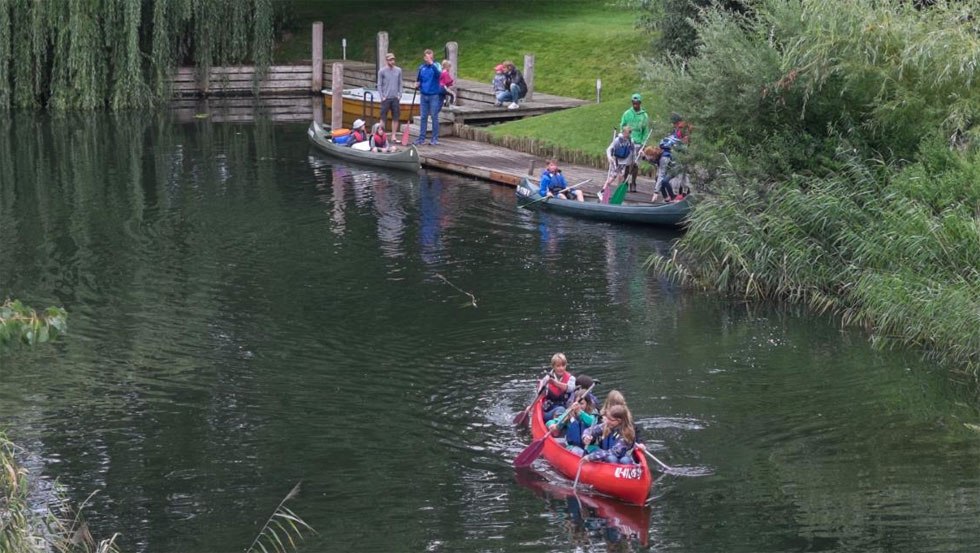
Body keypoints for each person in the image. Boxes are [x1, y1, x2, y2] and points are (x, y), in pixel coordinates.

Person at [547, 388, 598, 456]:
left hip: (590, 447)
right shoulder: (569, 413)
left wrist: (580, 412)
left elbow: (592, 422)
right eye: (577, 404)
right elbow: (554, 421)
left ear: (587, 404)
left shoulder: (593, 414)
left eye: (581, 404)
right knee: (579, 452)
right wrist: (552, 425)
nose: (578, 406)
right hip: (573, 447)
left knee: (599, 453)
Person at [620, 93, 650, 192]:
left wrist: (643, 143)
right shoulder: (627, 113)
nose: (635, 105)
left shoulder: (644, 115)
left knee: (635, 164)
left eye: (637, 103)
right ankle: (625, 182)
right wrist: (623, 136)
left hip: (638, 142)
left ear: (640, 103)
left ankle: (633, 182)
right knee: (627, 163)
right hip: (628, 141)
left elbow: (645, 130)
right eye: (633, 103)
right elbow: (622, 125)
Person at [413, 49, 442, 146]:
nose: (429, 58)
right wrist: (417, 84)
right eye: (427, 56)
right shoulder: (421, 68)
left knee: (434, 116)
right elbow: (419, 80)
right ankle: (421, 138)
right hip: (423, 95)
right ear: (424, 57)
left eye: (431, 56)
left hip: (434, 95)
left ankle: (435, 138)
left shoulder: (437, 65)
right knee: (423, 117)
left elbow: (439, 75)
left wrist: (432, 64)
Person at [599, 126, 634, 203]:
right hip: (616, 160)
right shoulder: (617, 140)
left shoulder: (630, 141)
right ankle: (602, 191)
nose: (626, 135)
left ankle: (617, 193)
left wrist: (632, 161)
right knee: (612, 177)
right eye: (626, 134)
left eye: (628, 134)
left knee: (621, 176)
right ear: (623, 132)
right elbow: (608, 149)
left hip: (624, 161)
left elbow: (632, 151)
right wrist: (609, 157)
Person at [542, 352, 576, 421]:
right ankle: (555, 425)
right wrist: (531, 407)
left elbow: (570, 388)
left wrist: (555, 383)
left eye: (563, 365)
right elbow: (540, 393)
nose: (561, 368)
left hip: (566, 410)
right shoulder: (546, 379)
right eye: (558, 366)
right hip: (550, 411)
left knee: (566, 411)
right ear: (553, 366)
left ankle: (562, 424)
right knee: (561, 409)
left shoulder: (571, 378)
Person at [377, 52, 403, 135]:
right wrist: (382, 96)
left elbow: (400, 83)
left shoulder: (398, 70)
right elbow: (379, 85)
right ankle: (382, 134)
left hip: (395, 97)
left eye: (393, 59)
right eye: (390, 60)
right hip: (386, 98)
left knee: (396, 117)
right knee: (383, 117)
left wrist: (400, 95)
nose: (392, 61)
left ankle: (393, 135)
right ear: (387, 61)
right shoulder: (382, 71)